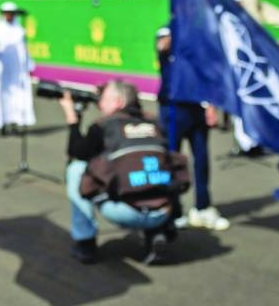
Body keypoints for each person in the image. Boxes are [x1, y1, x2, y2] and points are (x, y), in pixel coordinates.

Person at [59, 80, 186, 265]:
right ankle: (158, 232)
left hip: (125, 211)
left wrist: (72, 119)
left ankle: (85, 243)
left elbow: (76, 152)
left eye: (103, 98)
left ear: (118, 102)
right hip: (164, 210)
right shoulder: (155, 123)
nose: (99, 103)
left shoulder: (103, 126)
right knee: (152, 169)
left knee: (76, 169)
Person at [156, 27, 230, 231]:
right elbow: (162, 46)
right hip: (172, 109)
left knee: (202, 160)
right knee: (171, 160)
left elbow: (207, 75)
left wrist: (211, 105)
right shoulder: (169, 30)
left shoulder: (198, 39)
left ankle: (203, 207)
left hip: (196, 108)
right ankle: (174, 208)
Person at [0, 1, 35, 135]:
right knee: (0, 95)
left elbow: (23, 51)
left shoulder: (19, 30)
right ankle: (2, 123)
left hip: (17, 72)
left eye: (12, 13)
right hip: (1, 71)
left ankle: (16, 123)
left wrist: (28, 65)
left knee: (17, 96)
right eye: (7, 13)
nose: (9, 16)